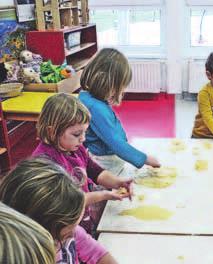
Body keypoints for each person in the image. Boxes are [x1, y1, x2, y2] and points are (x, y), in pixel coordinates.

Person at [32, 93, 133, 234]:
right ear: (52, 131)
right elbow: (67, 202)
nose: (83, 139)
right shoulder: (45, 163)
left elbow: (95, 171)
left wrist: (118, 182)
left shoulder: (74, 148)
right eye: (76, 134)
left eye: (84, 132)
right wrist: (104, 195)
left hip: (82, 220)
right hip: (62, 231)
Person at [0, 157, 118, 264]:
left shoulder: (68, 229)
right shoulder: (25, 256)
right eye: (66, 235)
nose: (74, 234)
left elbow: (97, 254)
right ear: (36, 231)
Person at [79, 48, 160, 175]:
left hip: (107, 159)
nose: (120, 92)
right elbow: (115, 142)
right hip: (104, 162)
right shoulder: (95, 107)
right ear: (106, 82)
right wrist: (145, 159)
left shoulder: (89, 98)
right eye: (119, 88)